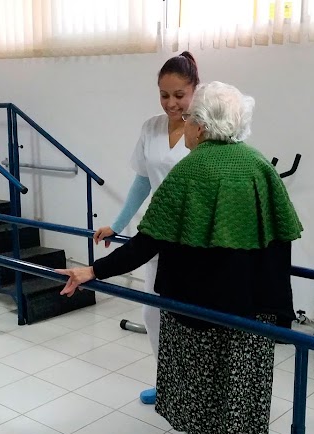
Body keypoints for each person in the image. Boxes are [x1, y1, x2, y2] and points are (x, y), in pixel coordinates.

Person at [58, 81, 303, 434]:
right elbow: (280, 239)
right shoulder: (259, 166)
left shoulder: (190, 170)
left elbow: (148, 242)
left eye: (188, 119)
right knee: (241, 399)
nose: (184, 126)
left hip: (201, 314)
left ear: (200, 127)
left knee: (203, 397)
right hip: (252, 314)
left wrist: (93, 271)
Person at [92, 51, 200, 405]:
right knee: (152, 312)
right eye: (164, 95)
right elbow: (143, 180)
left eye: (179, 95)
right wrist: (117, 224)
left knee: (191, 319)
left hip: (194, 240)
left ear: (195, 90)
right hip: (157, 233)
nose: (171, 103)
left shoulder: (204, 128)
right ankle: (168, 383)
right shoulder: (151, 127)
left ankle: (195, 393)